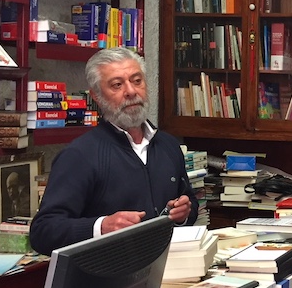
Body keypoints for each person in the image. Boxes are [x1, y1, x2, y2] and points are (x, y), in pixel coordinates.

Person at [30, 47, 198, 255]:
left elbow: (189, 202)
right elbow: (42, 232)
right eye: (117, 85)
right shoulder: (79, 156)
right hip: (107, 272)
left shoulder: (168, 145)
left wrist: (183, 213)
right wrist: (100, 227)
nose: (131, 91)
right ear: (97, 96)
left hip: (167, 267)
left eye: (137, 81)